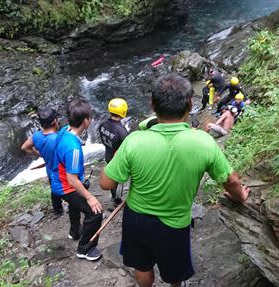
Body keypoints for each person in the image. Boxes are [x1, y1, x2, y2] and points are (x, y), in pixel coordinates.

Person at [99, 73, 250, 287]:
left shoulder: (134, 140)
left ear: (152, 104)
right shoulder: (203, 142)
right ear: (190, 104)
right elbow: (231, 181)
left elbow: (106, 184)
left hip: (137, 219)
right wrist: (241, 196)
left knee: (142, 266)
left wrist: (117, 160)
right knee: (174, 273)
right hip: (174, 224)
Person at [50, 99, 103, 261]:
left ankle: (75, 232)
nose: (91, 120)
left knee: (75, 205)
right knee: (95, 213)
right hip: (66, 186)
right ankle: (85, 249)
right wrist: (90, 197)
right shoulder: (73, 148)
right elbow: (72, 180)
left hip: (57, 181)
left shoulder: (64, 131)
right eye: (90, 118)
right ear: (86, 121)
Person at [21, 108, 62, 215]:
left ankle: (58, 211)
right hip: (61, 171)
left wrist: (39, 154)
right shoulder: (57, 139)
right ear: (54, 122)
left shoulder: (36, 136)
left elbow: (25, 147)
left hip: (49, 169)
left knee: (54, 189)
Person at [98, 98, 129, 206]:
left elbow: (103, 139)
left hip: (108, 153)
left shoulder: (102, 125)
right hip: (117, 157)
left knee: (111, 174)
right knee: (119, 178)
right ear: (123, 112)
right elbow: (126, 148)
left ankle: (113, 196)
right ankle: (117, 199)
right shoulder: (122, 131)